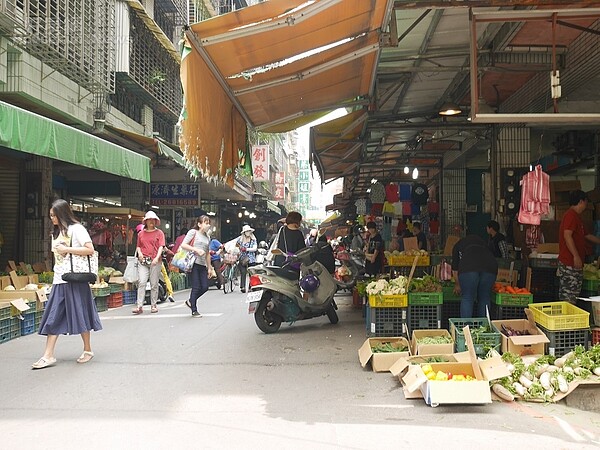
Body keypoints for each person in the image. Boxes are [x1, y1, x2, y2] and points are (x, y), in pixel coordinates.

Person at [33, 199, 102, 369]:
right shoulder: (55, 233)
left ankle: (87, 349)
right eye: (50, 216)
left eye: (54, 215)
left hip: (76, 278)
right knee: (53, 315)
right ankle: (48, 355)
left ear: (62, 214)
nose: (52, 219)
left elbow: (90, 249)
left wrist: (68, 249)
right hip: (59, 279)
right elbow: (58, 256)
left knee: (81, 312)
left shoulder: (77, 229)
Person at [558, 190, 600, 304]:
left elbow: (587, 235)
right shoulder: (570, 215)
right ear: (581, 201)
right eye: (586, 203)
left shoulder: (577, 217)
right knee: (569, 295)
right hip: (569, 262)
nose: (586, 206)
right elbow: (567, 235)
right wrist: (576, 256)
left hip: (574, 263)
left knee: (573, 294)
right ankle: (566, 319)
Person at [451, 234, 498, 317]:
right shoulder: (484, 244)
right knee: (485, 297)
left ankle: (466, 327)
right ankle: (483, 327)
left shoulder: (458, 245)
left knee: (467, 297)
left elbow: (455, 269)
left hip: (469, 267)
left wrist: (457, 284)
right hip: (490, 267)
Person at [181, 216, 215, 317]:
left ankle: (191, 301)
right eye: (205, 222)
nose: (207, 225)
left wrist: (209, 267)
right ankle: (194, 310)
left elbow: (208, 253)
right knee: (196, 287)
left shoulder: (207, 237)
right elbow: (184, 245)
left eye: (208, 223)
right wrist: (196, 250)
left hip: (202, 264)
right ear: (199, 224)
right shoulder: (193, 232)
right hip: (193, 263)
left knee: (205, 287)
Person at [133, 211, 166, 314]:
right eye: (149, 220)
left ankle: (153, 305)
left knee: (154, 284)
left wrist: (157, 258)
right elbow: (138, 246)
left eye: (153, 220)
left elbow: (161, 246)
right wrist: (140, 254)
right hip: (143, 261)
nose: (151, 222)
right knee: (142, 282)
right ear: (146, 221)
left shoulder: (159, 233)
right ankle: (139, 306)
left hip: (155, 261)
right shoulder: (141, 234)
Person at [237, 225, 257, 293]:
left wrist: (246, 249)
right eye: (246, 231)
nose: (248, 232)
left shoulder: (253, 239)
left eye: (249, 231)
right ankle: (242, 287)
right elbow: (236, 245)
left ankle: (251, 287)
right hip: (242, 258)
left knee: (251, 273)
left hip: (251, 258)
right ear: (244, 232)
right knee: (243, 272)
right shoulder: (240, 239)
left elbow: (255, 248)